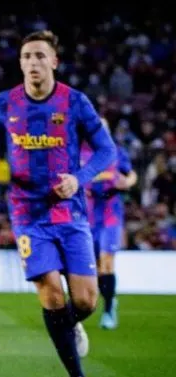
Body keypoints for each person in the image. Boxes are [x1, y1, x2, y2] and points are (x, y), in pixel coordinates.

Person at [0, 30, 116, 377]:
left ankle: (70, 323)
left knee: (86, 300)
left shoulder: (75, 102)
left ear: (54, 61)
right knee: (50, 295)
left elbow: (106, 150)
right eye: (26, 56)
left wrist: (79, 178)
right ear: (20, 64)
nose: (33, 62)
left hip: (69, 212)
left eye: (39, 55)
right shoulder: (5, 103)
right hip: (27, 214)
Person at [81, 120, 137, 329]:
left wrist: (127, 182)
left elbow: (130, 174)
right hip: (88, 215)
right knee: (94, 265)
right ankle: (108, 298)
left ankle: (108, 310)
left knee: (107, 262)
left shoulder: (116, 151)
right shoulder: (78, 153)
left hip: (110, 214)